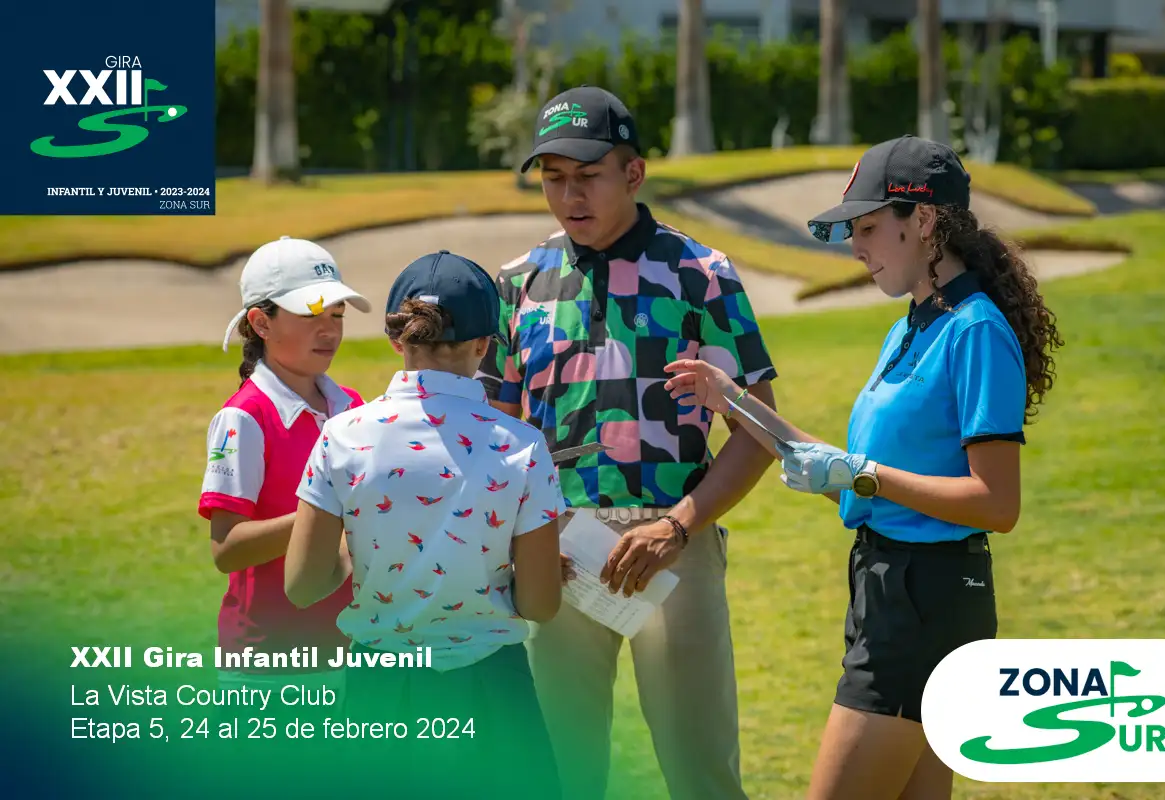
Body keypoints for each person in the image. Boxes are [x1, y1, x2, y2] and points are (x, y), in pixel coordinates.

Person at [662, 135, 1064, 800]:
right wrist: (730, 399)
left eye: (869, 228)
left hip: (925, 602)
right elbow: (843, 471)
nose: (855, 247)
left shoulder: (975, 330)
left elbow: (997, 503)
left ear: (924, 220)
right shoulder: (910, 326)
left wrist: (861, 474)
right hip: (888, 591)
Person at [476, 85, 779, 800]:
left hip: (674, 546)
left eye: (588, 176)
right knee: (560, 776)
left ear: (634, 173)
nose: (569, 196)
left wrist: (678, 527)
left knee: (702, 774)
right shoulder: (516, 285)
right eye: (554, 178)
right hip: (553, 554)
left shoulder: (701, 275)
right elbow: (494, 438)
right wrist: (522, 539)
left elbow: (760, 429)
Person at [283, 250, 566, 799]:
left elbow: (302, 586)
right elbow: (540, 604)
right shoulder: (521, 445)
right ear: (484, 345)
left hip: (379, 692)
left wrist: (362, 551)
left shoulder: (342, 436)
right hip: (492, 690)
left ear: (398, 339)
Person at [197, 235, 372, 715]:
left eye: (337, 314)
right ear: (261, 323)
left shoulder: (352, 407)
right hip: (270, 665)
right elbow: (227, 549)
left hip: (353, 650)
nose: (330, 330)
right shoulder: (244, 418)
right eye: (311, 314)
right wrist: (324, 513)